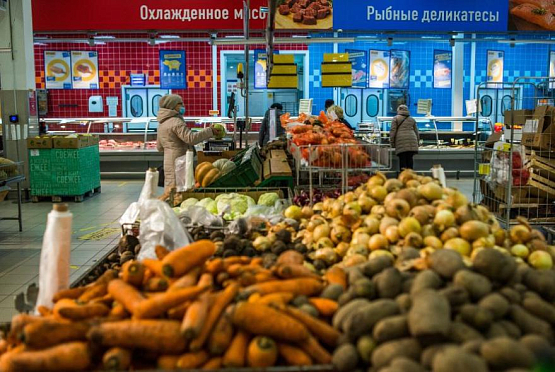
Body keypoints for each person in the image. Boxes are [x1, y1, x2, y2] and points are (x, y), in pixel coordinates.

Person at [156, 94, 222, 189]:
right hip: (180, 159)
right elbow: (191, 139)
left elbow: (159, 147)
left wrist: (170, 147)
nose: (183, 106)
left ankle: (172, 202)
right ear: (172, 106)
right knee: (182, 186)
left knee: (171, 187)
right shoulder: (176, 122)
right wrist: (209, 131)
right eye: (180, 104)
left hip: (168, 160)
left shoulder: (162, 123)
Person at [390, 104, 419, 170]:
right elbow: (416, 132)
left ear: (399, 110)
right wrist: (417, 142)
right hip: (412, 140)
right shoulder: (412, 119)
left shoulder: (396, 118)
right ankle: (410, 177)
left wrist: (392, 142)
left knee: (402, 160)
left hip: (401, 141)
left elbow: (393, 131)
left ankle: (403, 176)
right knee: (410, 159)